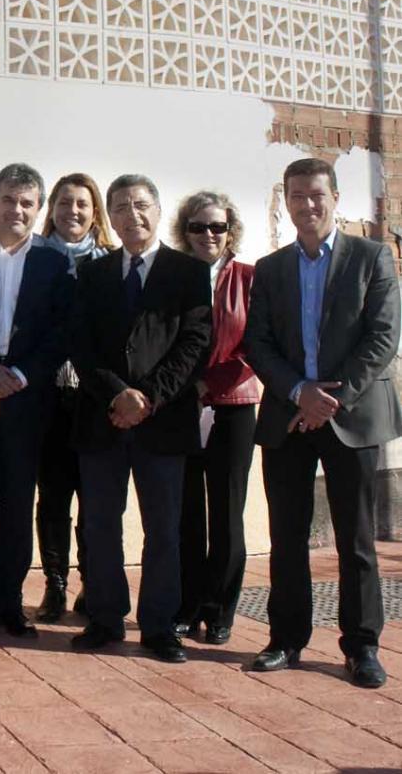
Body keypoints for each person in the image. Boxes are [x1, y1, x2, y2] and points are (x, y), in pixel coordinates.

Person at [245, 158, 402, 688]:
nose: (306, 205)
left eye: (316, 195)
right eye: (296, 196)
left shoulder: (372, 257)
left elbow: (382, 338)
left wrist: (328, 400)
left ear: (334, 197)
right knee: (286, 537)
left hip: (351, 417)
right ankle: (285, 639)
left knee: (355, 540)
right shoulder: (269, 269)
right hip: (287, 419)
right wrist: (298, 392)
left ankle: (361, 646)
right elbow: (257, 343)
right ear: (285, 200)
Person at [69, 173, 211, 664]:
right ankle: (105, 618)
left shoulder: (189, 273)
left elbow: (194, 345)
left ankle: (158, 625)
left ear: (157, 208)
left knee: (164, 529)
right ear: (110, 216)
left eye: (142, 204)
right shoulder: (92, 274)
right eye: (122, 207)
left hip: (164, 421)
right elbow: (81, 346)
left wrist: (147, 398)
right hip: (102, 419)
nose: (133, 215)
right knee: (101, 525)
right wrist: (117, 396)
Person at [0, 164, 73, 638]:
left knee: (19, 503)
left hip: (27, 399)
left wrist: (19, 375)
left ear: (38, 208)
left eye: (27, 202)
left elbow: (61, 332)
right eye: (9, 199)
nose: (17, 210)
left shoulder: (54, 260)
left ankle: (9, 601)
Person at [169, 191, 260, 646]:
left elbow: (256, 345)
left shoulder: (249, 278)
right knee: (186, 512)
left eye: (217, 227)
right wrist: (185, 389)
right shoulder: (173, 277)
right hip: (182, 407)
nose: (208, 235)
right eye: (198, 227)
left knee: (227, 513)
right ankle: (186, 604)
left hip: (234, 406)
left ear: (230, 231)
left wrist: (211, 385)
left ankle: (220, 608)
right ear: (184, 231)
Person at [33, 172, 115, 622]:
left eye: (82, 204)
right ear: (53, 209)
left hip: (93, 400)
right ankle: (55, 583)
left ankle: (90, 580)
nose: (73, 212)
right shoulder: (36, 258)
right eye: (64, 203)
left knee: (94, 496)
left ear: (94, 211)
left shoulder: (109, 262)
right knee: (53, 498)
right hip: (48, 398)